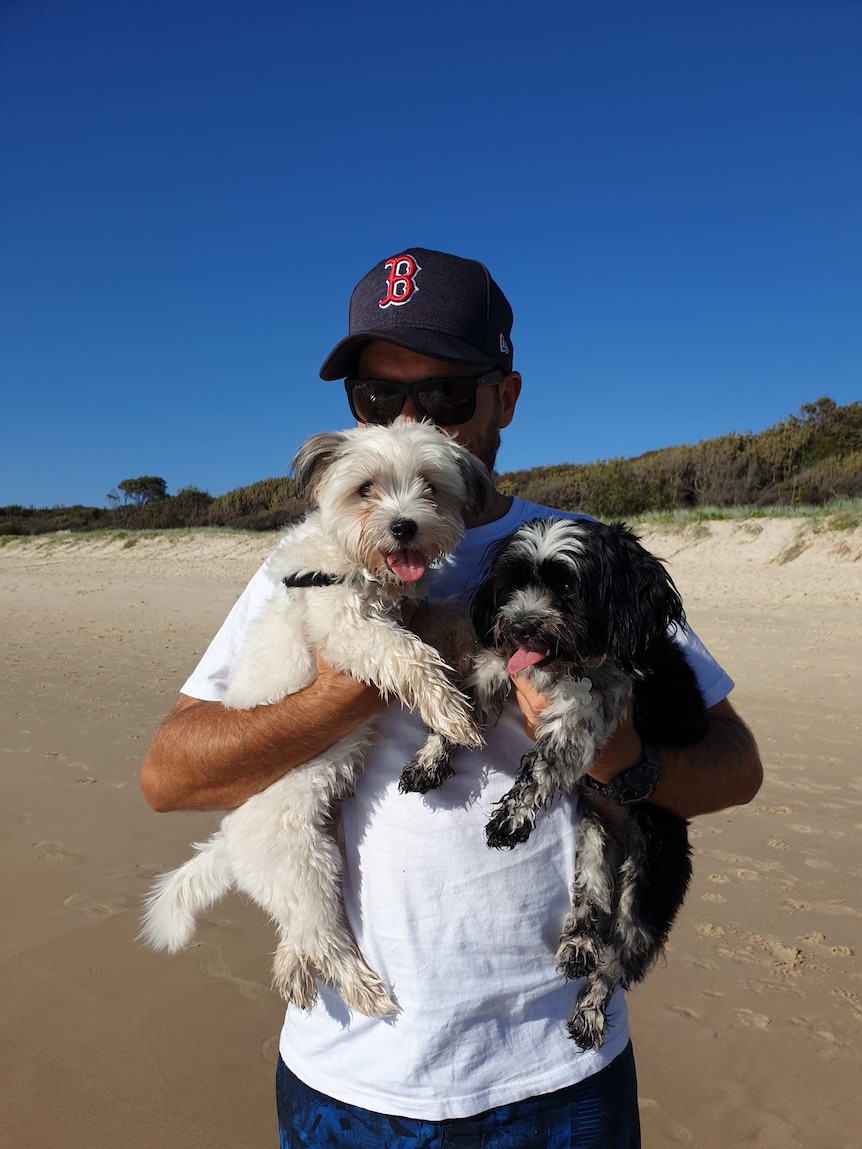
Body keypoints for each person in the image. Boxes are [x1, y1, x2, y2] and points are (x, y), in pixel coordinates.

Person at [141, 248, 763, 1148]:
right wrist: (345, 689)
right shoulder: (309, 560)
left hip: (557, 1068)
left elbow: (736, 767)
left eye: (441, 398)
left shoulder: (587, 557)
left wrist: (626, 759)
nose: (405, 421)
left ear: (504, 398)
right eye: (374, 397)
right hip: (351, 1071)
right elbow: (169, 776)